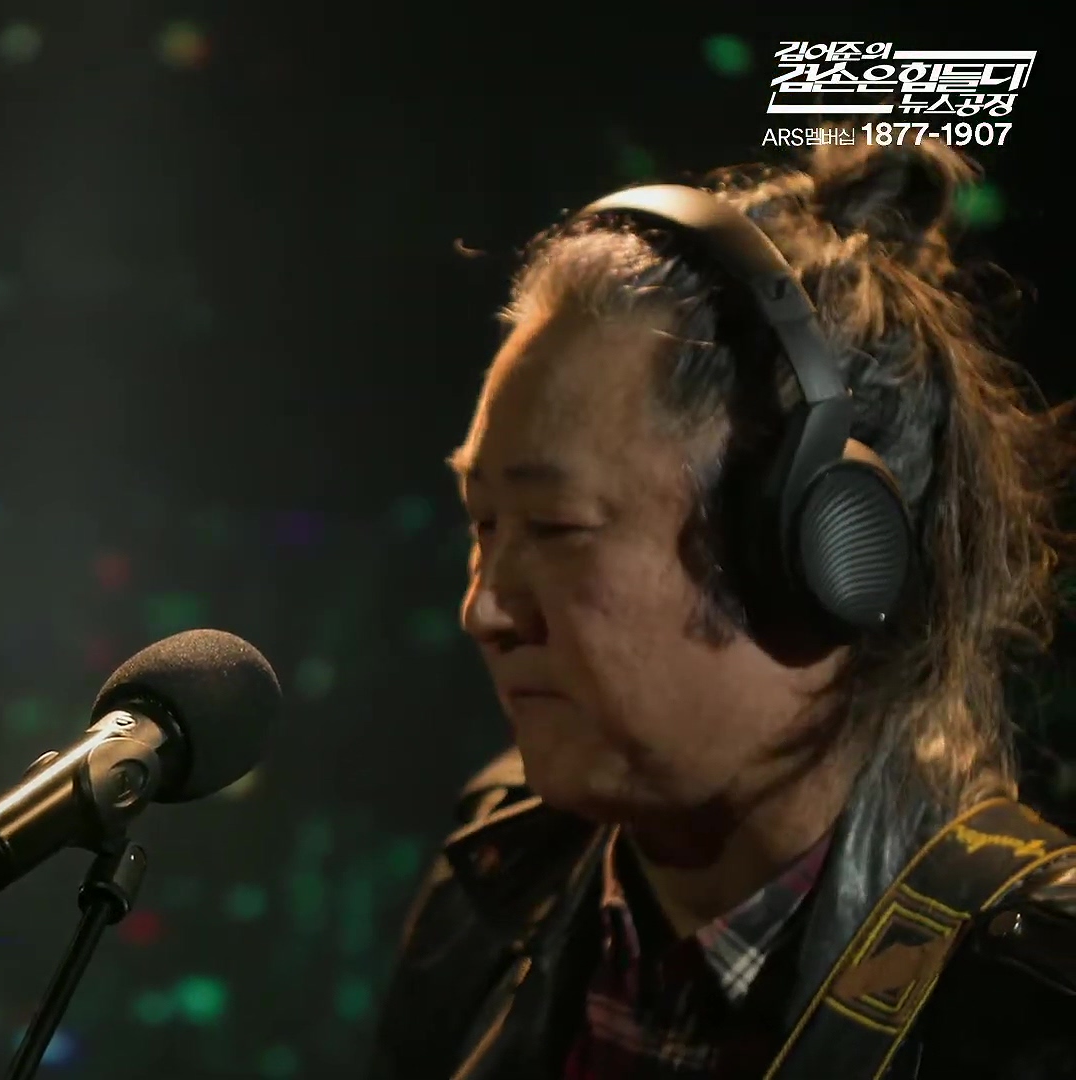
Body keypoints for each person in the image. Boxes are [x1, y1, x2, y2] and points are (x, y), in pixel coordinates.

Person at [370, 139, 1076, 1080]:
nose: (484, 610)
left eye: (554, 526)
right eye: (483, 524)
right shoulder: (489, 878)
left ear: (822, 552)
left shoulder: (1035, 1009)